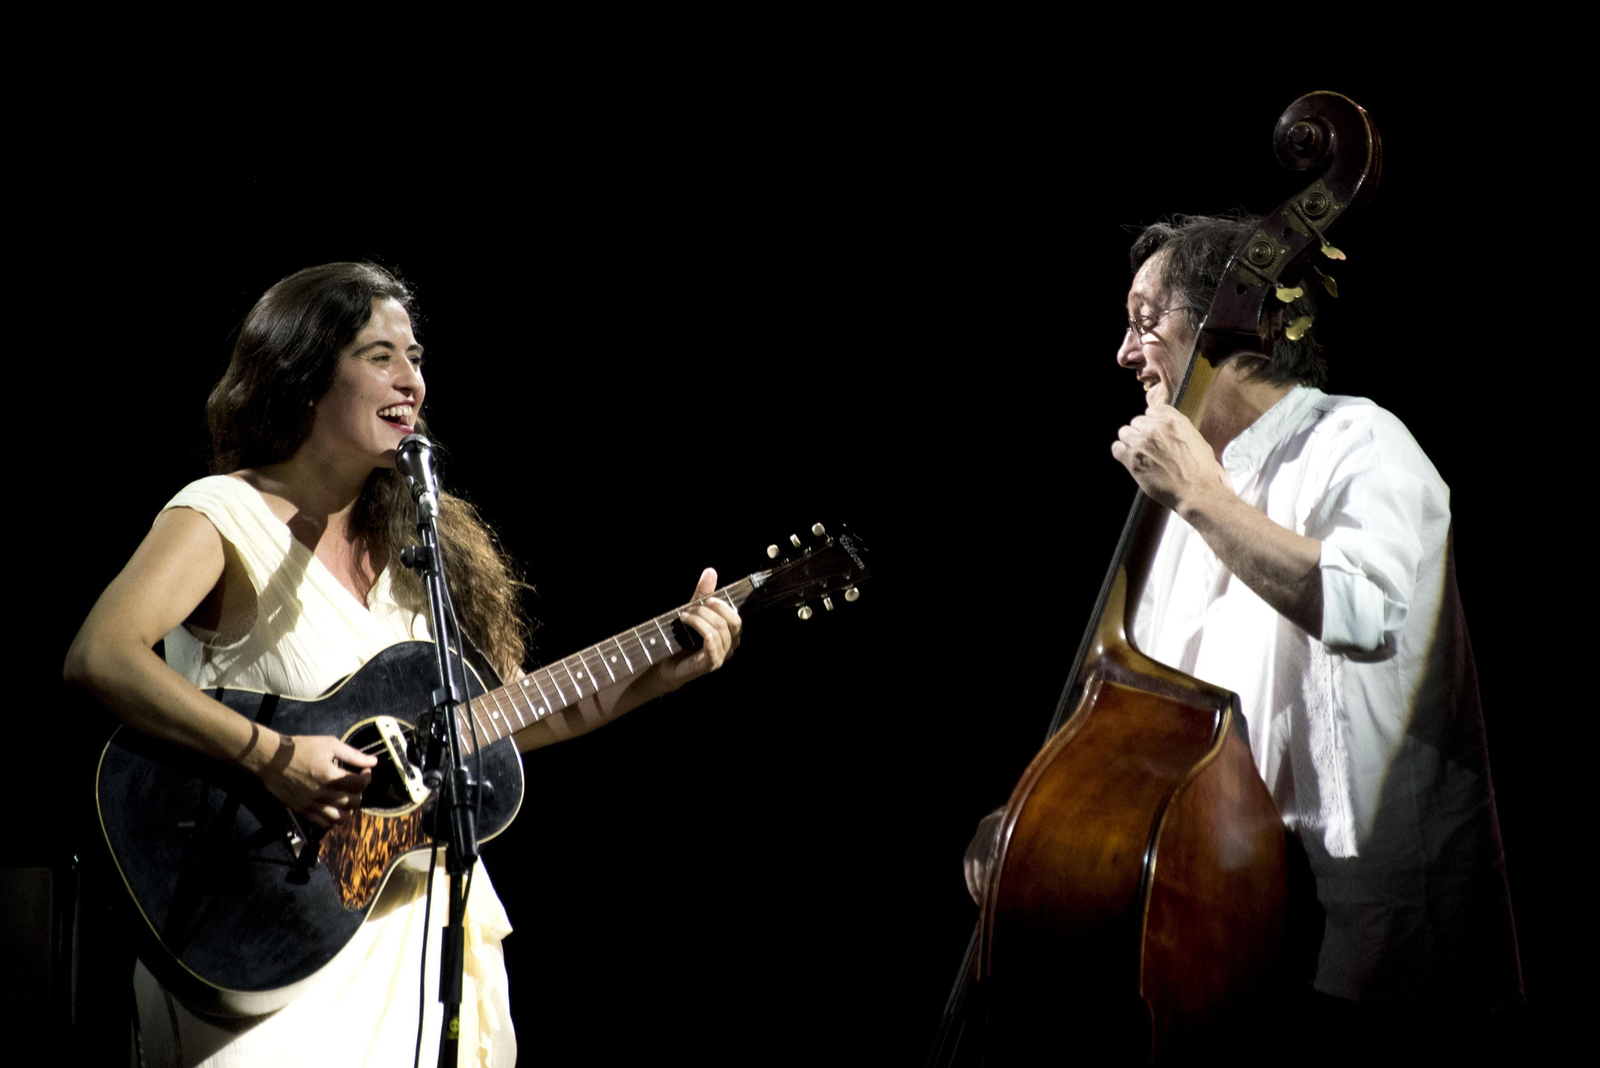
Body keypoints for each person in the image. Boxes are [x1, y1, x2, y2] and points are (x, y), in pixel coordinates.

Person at [63, 261, 743, 1067]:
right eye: (380, 355)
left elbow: (500, 719)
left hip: (417, 930)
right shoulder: (223, 512)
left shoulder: (420, 547)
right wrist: (274, 756)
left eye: (416, 357)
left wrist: (662, 671)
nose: (411, 379)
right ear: (305, 370)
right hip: (263, 925)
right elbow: (101, 655)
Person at [967, 215, 1521, 1052]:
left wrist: (1203, 500)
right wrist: (1028, 830)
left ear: (1239, 322)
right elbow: (1137, 730)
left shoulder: (1358, 440)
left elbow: (1364, 613)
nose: (1124, 354)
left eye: (1145, 321)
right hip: (1227, 930)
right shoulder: (1179, 507)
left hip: (1372, 956)